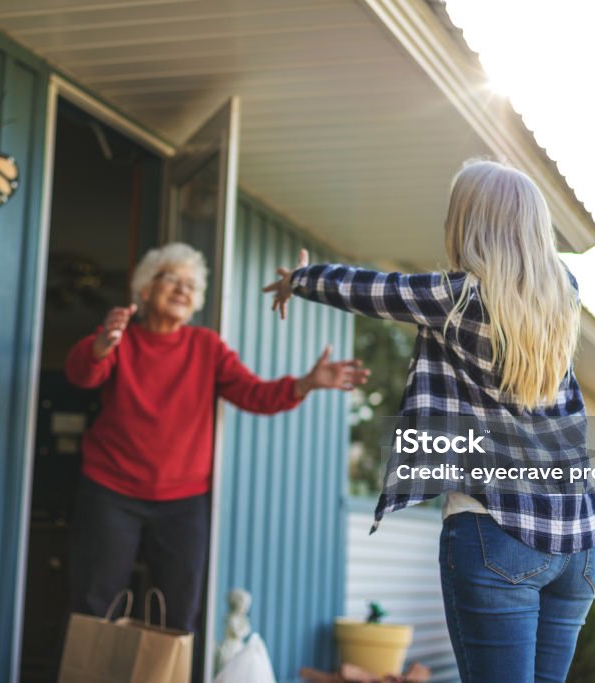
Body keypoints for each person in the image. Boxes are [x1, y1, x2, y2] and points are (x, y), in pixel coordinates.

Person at [264, 160, 595, 683]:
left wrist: (301, 279)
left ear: (467, 223)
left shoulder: (457, 297)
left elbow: (371, 290)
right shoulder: (565, 296)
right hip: (578, 544)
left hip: (499, 532)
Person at [64, 242, 368, 642]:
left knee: (177, 617)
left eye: (191, 284)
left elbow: (254, 394)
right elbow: (82, 373)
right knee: (94, 607)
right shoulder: (121, 341)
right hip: (112, 490)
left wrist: (307, 382)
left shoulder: (205, 347)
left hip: (182, 502)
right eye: (171, 278)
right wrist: (104, 342)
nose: (182, 289)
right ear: (144, 288)